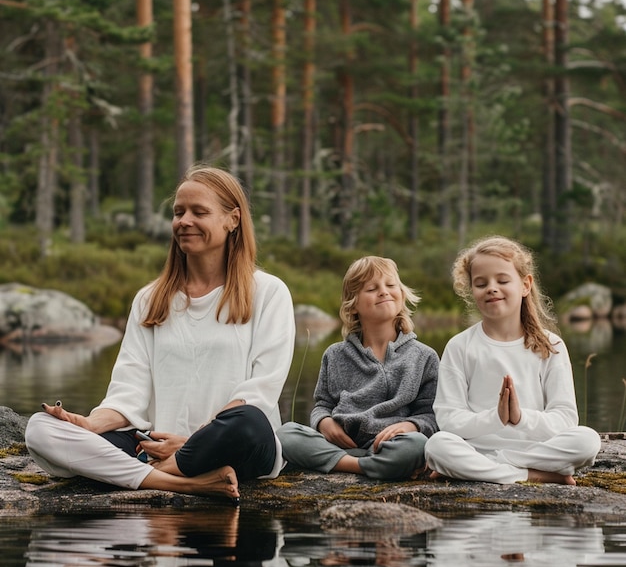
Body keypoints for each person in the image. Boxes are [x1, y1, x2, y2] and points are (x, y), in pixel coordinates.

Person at [25, 165, 296, 503]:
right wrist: (89, 425)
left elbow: (261, 390)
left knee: (248, 422)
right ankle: (183, 482)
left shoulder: (268, 293)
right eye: (178, 212)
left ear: (233, 220)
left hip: (232, 442)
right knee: (40, 429)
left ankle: (150, 471)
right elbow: (129, 393)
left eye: (199, 212)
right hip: (154, 445)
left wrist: (193, 441)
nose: (184, 221)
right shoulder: (150, 300)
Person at [424, 235, 601, 485]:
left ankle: (493, 468)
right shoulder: (459, 346)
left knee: (588, 440)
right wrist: (495, 418)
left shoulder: (551, 346)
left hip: (535, 451)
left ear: (525, 285)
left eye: (503, 280)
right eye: (481, 283)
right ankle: (532, 476)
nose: (492, 288)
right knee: (437, 446)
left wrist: (520, 418)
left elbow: (565, 419)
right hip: (477, 450)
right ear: (471, 291)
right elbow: (449, 419)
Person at [278, 256, 439, 481]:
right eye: (372, 288)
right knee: (285, 434)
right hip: (341, 443)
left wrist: (410, 425)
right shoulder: (335, 355)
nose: (384, 292)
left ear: (402, 294)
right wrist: (324, 422)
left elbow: (431, 415)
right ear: (353, 304)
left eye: (391, 285)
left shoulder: (424, 356)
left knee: (418, 445)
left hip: (391, 445)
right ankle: (366, 466)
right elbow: (322, 405)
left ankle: (343, 464)